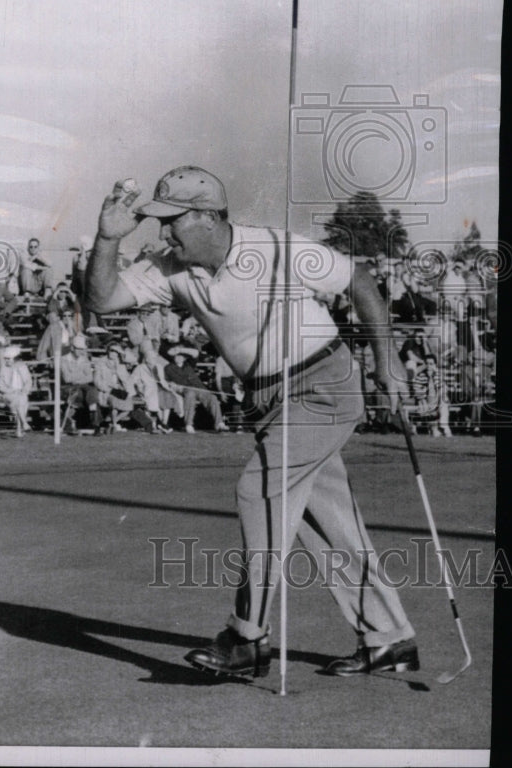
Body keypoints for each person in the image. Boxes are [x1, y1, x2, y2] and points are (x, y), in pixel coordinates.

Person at [85, 166, 417, 680]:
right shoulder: (169, 268)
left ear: (208, 217)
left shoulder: (278, 248)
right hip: (271, 401)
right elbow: (101, 299)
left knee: (259, 488)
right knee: (324, 521)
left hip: (324, 386)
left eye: (172, 220)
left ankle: (246, 639)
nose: (163, 232)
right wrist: (107, 238)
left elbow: (358, 278)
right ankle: (388, 636)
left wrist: (386, 357)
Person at [165, 345, 227, 433]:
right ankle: (189, 424)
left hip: (199, 388)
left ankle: (219, 423)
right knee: (190, 394)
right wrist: (171, 384)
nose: (178, 358)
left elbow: (196, 353)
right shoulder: (168, 368)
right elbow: (166, 381)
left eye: (181, 356)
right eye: (177, 356)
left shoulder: (189, 364)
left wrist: (181, 349)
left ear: (185, 358)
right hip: (184, 389)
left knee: (212, 398)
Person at [0, 345, 33, 437]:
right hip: (7, 395)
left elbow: (28, 381)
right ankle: (23, 424)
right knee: (21, 401)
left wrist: (24, 390)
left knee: (21, 399)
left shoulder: (22, 367)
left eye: (9, 359)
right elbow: (1, 386)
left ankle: (19, 429)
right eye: (5, 358)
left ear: (15, 358)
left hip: (20, 394)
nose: (6, 361)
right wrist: (12, 391)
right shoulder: (3, 368)